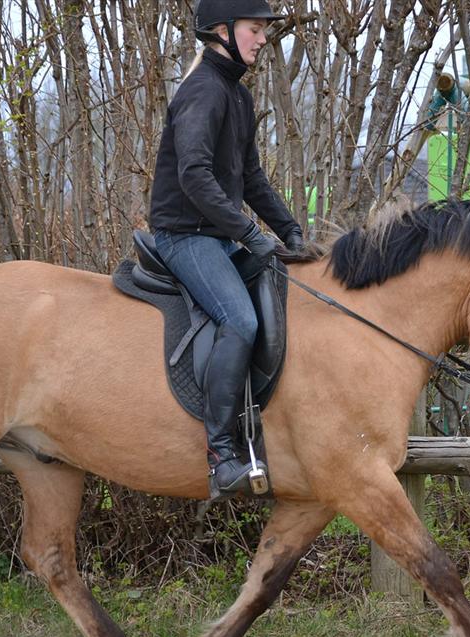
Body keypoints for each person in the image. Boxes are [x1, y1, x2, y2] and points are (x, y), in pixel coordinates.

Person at [149, 0, 304, 499]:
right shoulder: (203, 92)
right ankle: (221, 453)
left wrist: (289, 230)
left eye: (263, 30)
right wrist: (250, 234)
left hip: (215, 236)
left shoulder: (237, 96)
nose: (262, 39)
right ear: (222, 31)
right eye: (255, 29)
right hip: (185, 237)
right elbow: (194, 176)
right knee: (240, 320)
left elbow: (251, 178)